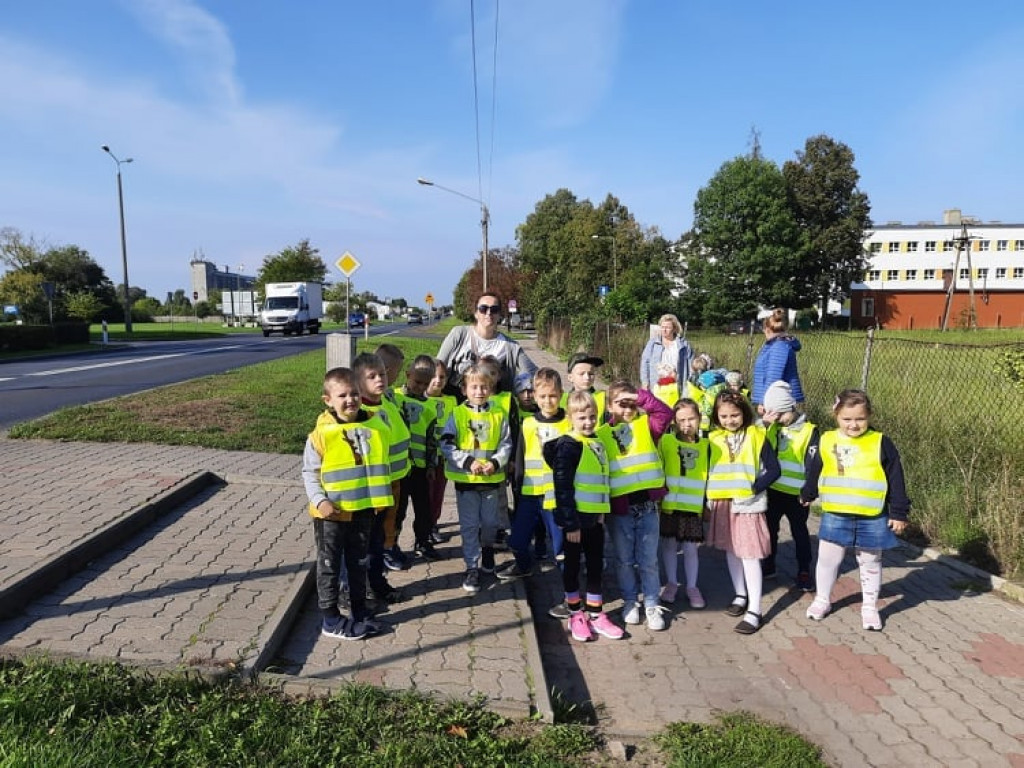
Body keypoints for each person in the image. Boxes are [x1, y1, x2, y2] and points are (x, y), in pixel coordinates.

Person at [800, 389, 910, 631]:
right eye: (847, 419)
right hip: (835, 513)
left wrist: (899, 511)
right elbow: (815, 469)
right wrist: (808, 492)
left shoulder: (880, 442)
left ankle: (869, 607)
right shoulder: (827, 440)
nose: (853, 424)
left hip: (872, 515)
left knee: (870, 561)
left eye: (860, 419)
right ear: (836, 415)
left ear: (869, 416)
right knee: (828, 560)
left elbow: (895, 477)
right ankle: (822, 600)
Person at [302, 367, 392, 640]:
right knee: (329, 566)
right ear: (328, 400)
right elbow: (309, 473)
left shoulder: (375, 425)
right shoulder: (321, 435)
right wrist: (320, 501)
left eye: (354, 393)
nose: (350, 400)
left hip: (363, 511)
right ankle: (330, 620)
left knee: (358, 563)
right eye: (342, 395)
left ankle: (359, 611)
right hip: (332, 515)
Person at [543, 391, 624, 642]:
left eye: (592, 417)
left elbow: (601, 480)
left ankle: (596, 613)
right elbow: (563, 488)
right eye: (582, 418)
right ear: (570, 418)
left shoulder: (597, 442)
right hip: (575, 522)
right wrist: (570, 524)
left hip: (594, 520)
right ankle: (575, 613)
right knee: (572, 566)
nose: (588, 422)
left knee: (595, 565)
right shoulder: (569, 446)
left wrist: (601, 513)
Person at [599, 380, 674, 631]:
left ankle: (651, 603)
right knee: (624, 560)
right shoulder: (601, 434)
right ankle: (630, 601)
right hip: (620, 510)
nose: (627, 409)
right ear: (609, 406)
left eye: (632, 404)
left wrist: (638, 396)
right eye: (621, 404)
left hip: (647, 507)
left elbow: (665, 413)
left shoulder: (646, 426)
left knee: (648, 560)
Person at [705, 390, 781, 635]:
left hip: (747, 505)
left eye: (735, 415)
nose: (730, 420)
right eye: (724, 416)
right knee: (731, 551)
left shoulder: (756, 435)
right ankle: (740, 595)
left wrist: (754, 489)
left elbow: (774, 470)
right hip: (723, 504)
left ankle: (755, 610)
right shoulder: (713, 438)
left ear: (744, 413)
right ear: (716, 417)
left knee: (749, 555)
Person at [439, 362, 513, 594]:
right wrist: (468, 462)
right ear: (464, 390)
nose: (479, 391)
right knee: (470, 526)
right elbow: (447, 444)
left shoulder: (499, 415)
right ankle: (472, 566)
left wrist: (495, 462)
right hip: (466, 482)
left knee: (490, 523)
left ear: (490, 388)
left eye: (484, 387)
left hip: (491, 482)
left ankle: (488, 550)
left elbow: (506, 444)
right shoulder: (457, 414)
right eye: (474, 387)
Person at [498, 367, 570, 583]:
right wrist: (518, 487)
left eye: (553, 396)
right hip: (530, 495)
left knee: (560, 547)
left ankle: (570, 589)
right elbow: (520, 458)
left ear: (561, 394)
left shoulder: (569, 423)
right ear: (536, 396)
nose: (548, 401)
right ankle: (524, 566)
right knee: (517, 541)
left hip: (556, 497)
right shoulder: (528, 424)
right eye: (543, 396)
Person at [352, 353, 406, 606]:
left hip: (391, 485)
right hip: (369, 492)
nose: (379, 380)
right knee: (363, 544)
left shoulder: (387, 404)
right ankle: (356, 589)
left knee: (378, 542)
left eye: (382, 374)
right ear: (358, 382)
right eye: (371, 376)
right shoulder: (360, 414)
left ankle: (377, 583)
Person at [759, 381, 818, 591]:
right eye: (774, 415)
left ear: (791, 408)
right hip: (774, 491)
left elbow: (814, 464)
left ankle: (804, 571)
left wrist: (809, 491)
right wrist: (764, 424)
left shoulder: (809, 431)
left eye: (781, 414)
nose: (779, 419)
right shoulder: (772, 428)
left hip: (797, 494)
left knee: (799, 532)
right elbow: (753, 441)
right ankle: (769, 564)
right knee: (770, 530)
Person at [657, 398, 709, 610]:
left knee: (690, 548)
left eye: (691, 419)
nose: (687, 424)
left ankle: (692, 587)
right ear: (674, 422)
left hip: (693, 507)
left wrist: (707, 504)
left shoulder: (706, 446)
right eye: (681, 420)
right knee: (669, 545)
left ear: (699, 419)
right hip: (669, 505)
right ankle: (671, 583)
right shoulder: (666, 442)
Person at [437, 292, 537, 398]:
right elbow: (438, 365)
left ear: (499, 315)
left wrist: (523, 390)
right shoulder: (459, 334)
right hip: (455, 401)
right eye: (483, 309)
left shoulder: (511, 346)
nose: (489, 313)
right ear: (476, 313)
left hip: (492, 405)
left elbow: (533, 372)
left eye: (494, 309)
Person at [394, 355, 443, 562]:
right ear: (408, 375)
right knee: (398, 509)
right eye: (417, 382)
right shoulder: (395, 398)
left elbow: (432, 439)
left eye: (425, 383)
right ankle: (392, 544)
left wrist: (431, 465)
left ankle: (423, 541)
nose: (420, 387)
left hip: (421, 468)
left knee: (423, 509)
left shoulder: (431, 407)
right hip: (400, 467)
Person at [373, 344, 413, 572]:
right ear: (388, 371)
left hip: (399, 472)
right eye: (397, 371)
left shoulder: (388, 397)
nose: (398, 376)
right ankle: (384, 551)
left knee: (396, 515)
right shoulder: (372, 403)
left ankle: (390, 545)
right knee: (386, 518)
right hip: (385, 476)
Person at [751, 308, 804, 413]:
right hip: (776, 398)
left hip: (778, 401)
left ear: (767, 329)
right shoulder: (775, 345)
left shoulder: (779, 347)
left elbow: (773, 376)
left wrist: (764, 401)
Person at [426, 358, 456, 544]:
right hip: (422, 458)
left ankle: (433, 523)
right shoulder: (417, 400)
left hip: (442, 457)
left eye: (442, 377)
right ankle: (424, 526)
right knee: (425, 494)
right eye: (433, 376)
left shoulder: (451, 401)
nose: (437, 380)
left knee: (438, 493)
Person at [640, 313, 693, 407]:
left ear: (674, 328)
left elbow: (690, 365)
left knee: (675, 410)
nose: (664, 330)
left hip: (676, 384)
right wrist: (645, 382)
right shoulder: (653, 343)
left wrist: (690, 383)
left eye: (668, 327)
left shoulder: (683, 344)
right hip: (657, 386)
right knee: (658, 410)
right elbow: (645, 362)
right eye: (662, 327)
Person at [562, 353, 606, 422]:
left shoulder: (604, 398)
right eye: (581, 374)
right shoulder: (561, 400)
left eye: (591, 373)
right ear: (570, 377)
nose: (587, 377)